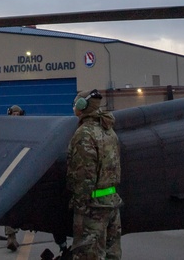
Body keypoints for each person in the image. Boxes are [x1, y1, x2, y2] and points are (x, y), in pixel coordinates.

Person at [66, 89, 122, 260]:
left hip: (93, 208)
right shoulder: (108, 130)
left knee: (88, 255)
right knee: (112, 255)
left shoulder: (84, 134)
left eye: (76, 104)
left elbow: (84, 175)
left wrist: (80, 206)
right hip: (111, 202)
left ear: (82, 106)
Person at [5, 104, 26, 251]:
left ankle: (12, 236)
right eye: (14, 114)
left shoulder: (6, 130)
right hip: (13, 175)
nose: (16, 117)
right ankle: (11, 236)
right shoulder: (23, 130)